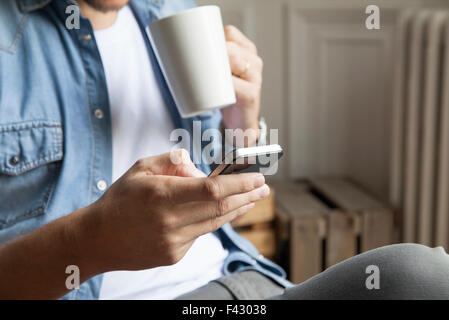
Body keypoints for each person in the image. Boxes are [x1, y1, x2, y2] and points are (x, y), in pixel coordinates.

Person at [0, 0, 448, 300]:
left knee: (424, 279)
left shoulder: (169, 11)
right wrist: (90, 241)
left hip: (241, 284)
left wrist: (244, 123)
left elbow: (224, 200)